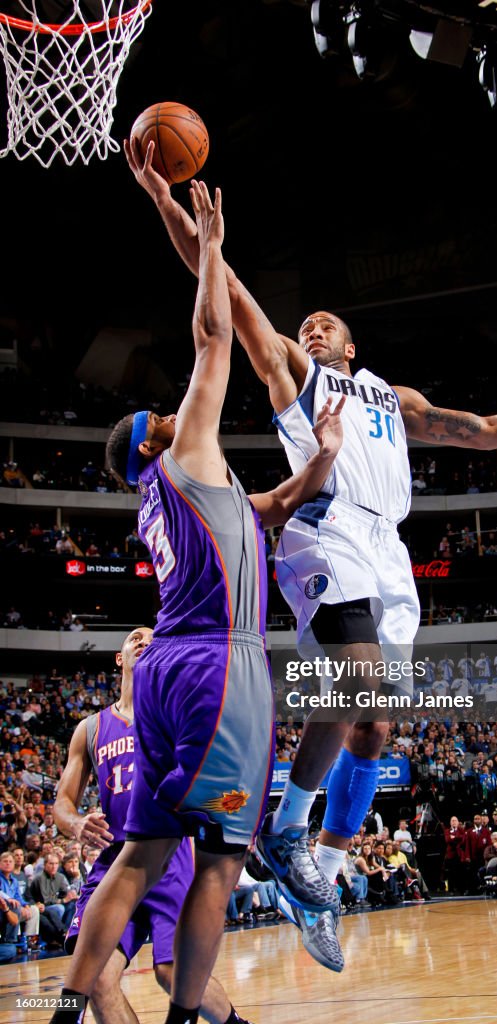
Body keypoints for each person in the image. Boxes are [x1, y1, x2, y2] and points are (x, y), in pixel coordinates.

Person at [124, 136, 497, 967]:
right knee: (360, 685)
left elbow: (480, 432)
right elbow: (218, 284)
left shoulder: (392, 400)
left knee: (375, 730)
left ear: (353, 344)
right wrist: (165, 200)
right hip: (325, 529)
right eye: (305, 325)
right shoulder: (299, 377)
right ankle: (283, 835)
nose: (311, 327)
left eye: (325, 322)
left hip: (387, 554)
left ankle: (316, 870)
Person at [48, 182, 345, 1024]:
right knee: (216, 862)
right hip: (221, 664)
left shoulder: (178, 496)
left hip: (167, 674)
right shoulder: (187, 452)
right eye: (161, 414)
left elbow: (275, 508)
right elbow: (213, 337)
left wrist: (322, 457)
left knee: (144, 850)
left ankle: (71, 1007)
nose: (176, 411)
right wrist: (209, 244)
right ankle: (187, 1017)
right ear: (151, 439)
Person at [53, 626, 232, 1024]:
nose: (143, 641)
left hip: (171, 858)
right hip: (115, 862)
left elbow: (218, 790)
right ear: (120, 658)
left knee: (172, 972)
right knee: (95, 979)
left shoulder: (179, 719)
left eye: (152, 638)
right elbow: (62, 804)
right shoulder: (91, 728)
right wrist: (78, 822)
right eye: (134, 637)